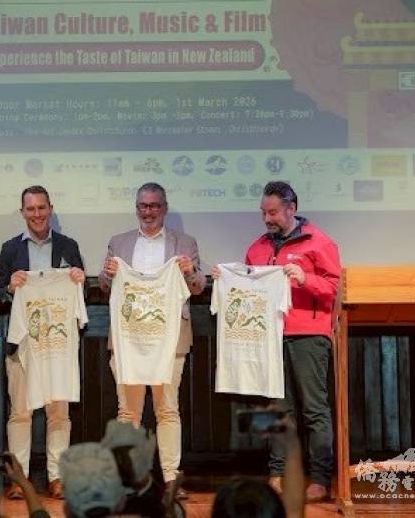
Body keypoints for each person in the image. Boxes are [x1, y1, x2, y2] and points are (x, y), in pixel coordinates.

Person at [211, 181, 340, 502]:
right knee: (279, 410)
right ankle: (278, 473)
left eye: (272, 212)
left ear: (291, 208)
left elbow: (334, 288)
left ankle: (320, 478)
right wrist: (226, 278)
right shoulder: (256, 248)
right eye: (263, 212)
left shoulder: (319, 242)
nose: (267, 218)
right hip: (267, 337)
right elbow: (247, 288)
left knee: (314, 409)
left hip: (308, 334)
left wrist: (305, 278)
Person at [98, 183, 205, 496]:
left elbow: (198, 286)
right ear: (136, 208)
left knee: (167, 410)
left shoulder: (185, 242)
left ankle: (171, 478)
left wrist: (189, 271)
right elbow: (105, 286)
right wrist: (107, 274)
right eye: (143, 206)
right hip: (128, 340)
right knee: (127, 413)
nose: (148, 212)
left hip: (170, 341)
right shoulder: (118, 242)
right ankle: (127, 478)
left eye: (154, 205)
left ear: (164, 208)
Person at [0, 185, 85, 500]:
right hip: (22, 345)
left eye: (42, 208)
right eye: (30, 209)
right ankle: (19, 479)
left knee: (59, 412)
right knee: (20, 412)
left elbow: (81, 294)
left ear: (50, 208)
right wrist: (9, 287)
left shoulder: (69, 246)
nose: (37, 214)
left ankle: (57, 478)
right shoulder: (9, 249)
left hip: (57, 345)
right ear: (22, 212)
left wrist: (79, 281)